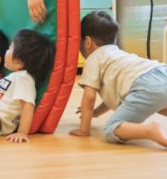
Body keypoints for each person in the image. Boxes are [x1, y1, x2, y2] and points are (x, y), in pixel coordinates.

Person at [70, 11, 167, 147]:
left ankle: (150, 130)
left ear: (87, 42)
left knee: (111, 129)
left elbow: (89, 97)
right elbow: (111, 98)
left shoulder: (94, 59)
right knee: (158, 102)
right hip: (161, 72)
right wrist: (96, 113)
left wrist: (84, 130)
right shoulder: (116, 53)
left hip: (145, 86)